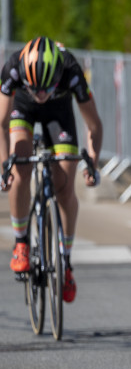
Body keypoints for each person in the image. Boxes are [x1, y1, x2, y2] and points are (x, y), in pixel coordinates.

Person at [0, 36, 102, 303]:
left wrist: (93, 162)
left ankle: (65, 262)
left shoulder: (71, 70)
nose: (41, 94)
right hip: (22, 110)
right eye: (35, 87)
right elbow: (0, 124)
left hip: (59, 115)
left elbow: (94, 126)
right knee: (19, 170)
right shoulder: (13, 68)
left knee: (65, 187)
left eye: (46, 88)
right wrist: (4, 166)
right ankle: (21, 243)